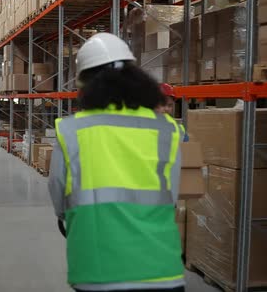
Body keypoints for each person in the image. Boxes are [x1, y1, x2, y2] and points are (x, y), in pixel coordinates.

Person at [48, 33, 185, 292]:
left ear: (86, 84)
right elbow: (172, 192)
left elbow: (58, 189)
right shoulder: (166, 129)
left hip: (98, 270)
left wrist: (65, 214)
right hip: (162, 268)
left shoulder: (72, 130)